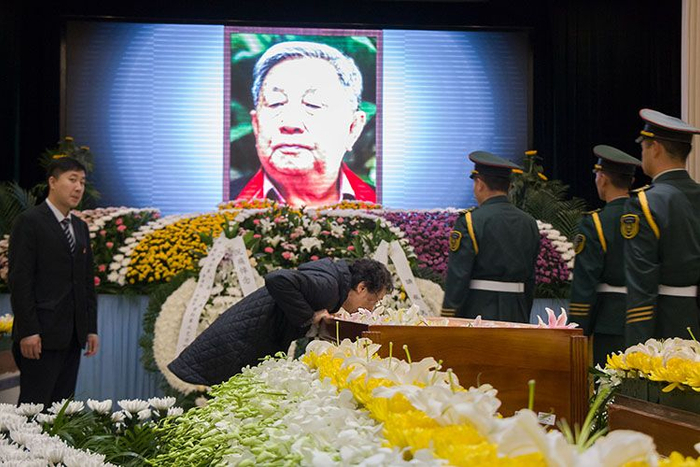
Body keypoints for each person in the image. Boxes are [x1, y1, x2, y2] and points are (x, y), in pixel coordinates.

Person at [168, 257, 392, 386]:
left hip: (245, 335)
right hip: (240, 341)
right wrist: (310, 316)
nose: (370, 308)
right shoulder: (330, 285)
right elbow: (278, 278)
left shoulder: (334, 283)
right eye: (373, 300)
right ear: (361, 287)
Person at [231, 41, 376, 207]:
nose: (290, 123)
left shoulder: (387, 212)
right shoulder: (220, 207)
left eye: (313, 104)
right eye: (275, 103)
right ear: (256, 125)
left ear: (352, 128)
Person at [8, 156, 99, 406]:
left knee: (62, 411)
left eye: (82, 182)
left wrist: (90, 327)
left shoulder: (79, 227)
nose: (78, 187)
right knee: (33, 409)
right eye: (72, 180)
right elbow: (20, 281)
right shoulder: (29, 222)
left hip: (72, 335)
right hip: (39, 336)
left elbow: (86, 282)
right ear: (52, 182)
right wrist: (28, 331)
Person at [623, 109, 700, 347]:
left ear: (655, 148)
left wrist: (638, 347)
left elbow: (642, 284)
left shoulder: (645, 203)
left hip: (664, 329)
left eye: (643, 147)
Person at [441, 151, 540, 322]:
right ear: (509, 187)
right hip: (517, 312)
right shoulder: (529, 223)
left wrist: (448, 317)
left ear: (479, 184)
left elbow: (458, 278)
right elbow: (530, 280)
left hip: (478, 312)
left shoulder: (470, 221)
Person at [568, 145, 641, 366]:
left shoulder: (596, 223)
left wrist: (577, 328)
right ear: (631, 181)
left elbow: (585, 283)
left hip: (608, 321)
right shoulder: (648, 216)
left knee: (608, 382)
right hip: (646, 317)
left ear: (603, 179)